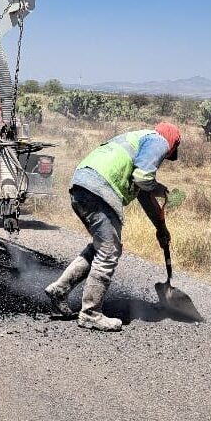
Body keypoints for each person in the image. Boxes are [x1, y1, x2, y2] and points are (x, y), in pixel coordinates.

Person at [45, 122, 181, 331]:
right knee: (109, 252)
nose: (165, 158)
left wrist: (161, 228)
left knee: (102, 246)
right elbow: (144, 178)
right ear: (172, 144)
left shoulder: (139, 140)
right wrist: (158, 187)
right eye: (168, 155)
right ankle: (90, 314)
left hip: (82, 185)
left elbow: (145, 196)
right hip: (100, 188)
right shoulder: (159, 140)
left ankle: (60, 289)